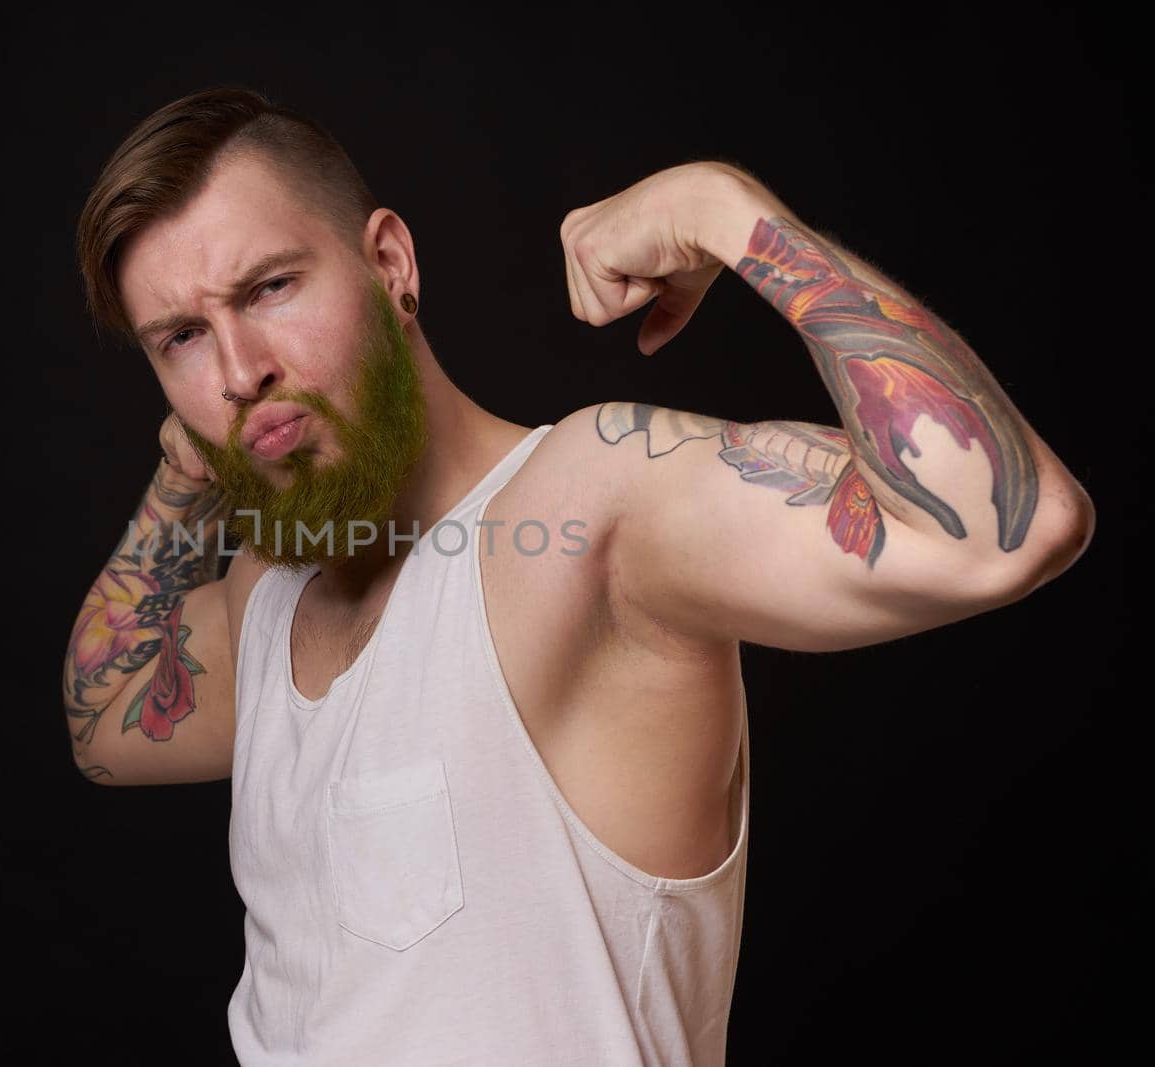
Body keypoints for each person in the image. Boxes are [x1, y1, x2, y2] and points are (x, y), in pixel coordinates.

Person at [61, 86, 1094, 1065]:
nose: (239, 370)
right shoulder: (265, 586)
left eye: (270, 287)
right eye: (183, 337)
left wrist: (725, 211)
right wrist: (178, 480)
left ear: (389, 263)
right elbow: (104, 723)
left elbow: (1008, 529)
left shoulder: (588, 505)